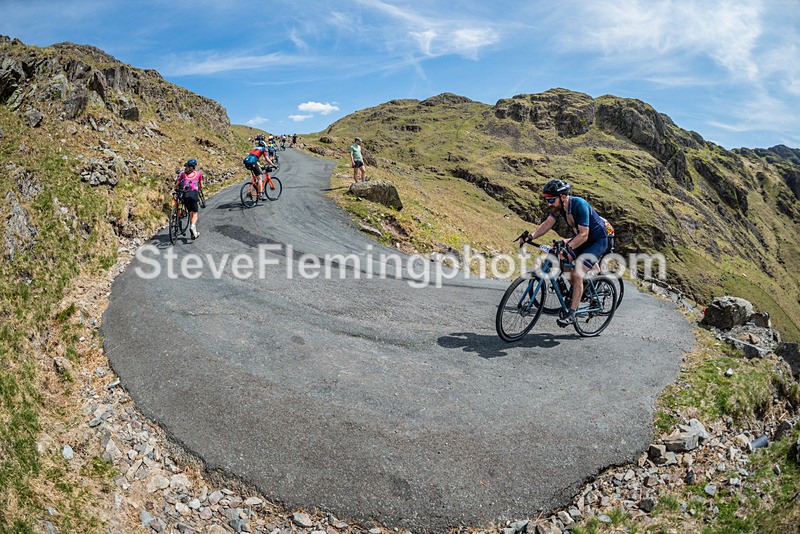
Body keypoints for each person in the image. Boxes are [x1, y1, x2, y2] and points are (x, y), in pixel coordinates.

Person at [519, 178, 608, 326]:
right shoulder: (558, 207)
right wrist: (531, 236)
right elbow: (548, 223)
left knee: (578, 270)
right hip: (581, 239)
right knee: (562, 259)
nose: (549, 203)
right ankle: (577, 289)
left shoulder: (579, 205)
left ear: (563, 197)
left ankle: (572, 313)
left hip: (597, 241)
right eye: (547, 200)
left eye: (552, 200)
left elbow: (584, 235)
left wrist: (568, 246)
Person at [175, 159, 204, 239]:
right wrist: (199, 189)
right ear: (194, 166)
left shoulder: (183, 174)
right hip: (193, 194)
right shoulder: (199, 173)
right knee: (195, 213)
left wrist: (175, 188)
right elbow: (201, 185)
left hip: (185, 194)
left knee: (190, 212)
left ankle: (193, 233)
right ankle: (192, 226)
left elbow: (177, 184)